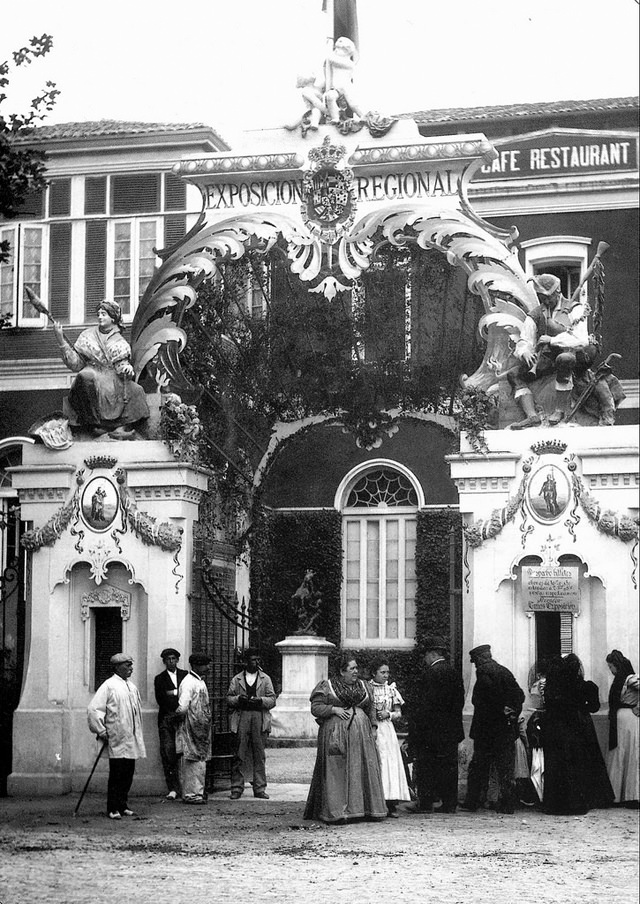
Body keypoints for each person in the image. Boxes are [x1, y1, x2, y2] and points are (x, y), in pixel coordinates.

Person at [508, 273, 610, 428]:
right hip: (548, 359)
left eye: (547, 297)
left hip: (573, 354)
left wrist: (553, 340)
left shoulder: (575, 309)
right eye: (541, 297)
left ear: (557, 292)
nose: (545, 301)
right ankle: (532, 417)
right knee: (514, 374)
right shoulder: (536, 314)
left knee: (564, 359)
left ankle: (559, 410)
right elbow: (524, 339)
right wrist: (525, 351)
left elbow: (581, 339)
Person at [304, 653, 386, 824]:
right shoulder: (327, 686)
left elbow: (371, 707)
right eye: (352, 668)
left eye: (356, 668)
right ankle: (337, 811)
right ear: (342, 671)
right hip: (336, 734)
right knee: (337, 770)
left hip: (362, 735)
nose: (356, 672)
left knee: (361, 768)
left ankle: (364, 809)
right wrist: (333, 709)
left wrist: (373, 726)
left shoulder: (364, 686)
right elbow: (316, 707)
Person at [53, 299, 149, 438]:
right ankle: (94, 424)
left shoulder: (119, 341)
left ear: (113, 317)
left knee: (136, 390)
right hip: (93, 371)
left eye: (104, 314)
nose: (100, 317)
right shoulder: (87, 336)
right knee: (85, 377)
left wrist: (127, 369)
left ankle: (122, 427)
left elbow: (121, 365)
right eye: (99, 314)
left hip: (113, 377)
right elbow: (77, 364)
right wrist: (61, 340)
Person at [542, 653, 615, 815]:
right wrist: (582, 708)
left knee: (560, 765)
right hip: (581, 728)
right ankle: (583, 800)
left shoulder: (554, 687)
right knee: (582, 763)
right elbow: (594, 707)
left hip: (558, 730)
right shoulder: (586, 686)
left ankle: (556, 804)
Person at [461, 644, 525, 814]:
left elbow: (483, 700)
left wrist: (497, 710)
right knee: (505, 769)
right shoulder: (505, 671)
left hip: (487, 730)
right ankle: (507, 803)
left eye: (475, 662)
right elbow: (519, 695)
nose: (475, 665)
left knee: (479, 767)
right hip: (505, 729)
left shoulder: (483, 672)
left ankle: (473, 801)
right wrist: (511, 713)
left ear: (480, 659)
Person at [409, 636, 465, 814]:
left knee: (427, 766)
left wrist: (418, 728)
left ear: (432, 654)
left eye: (425, 655)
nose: (424, 659)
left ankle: (425, 803)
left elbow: (424, 705)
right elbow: (459, 702)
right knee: (449, 767)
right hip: (451, 730)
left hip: (431, 731)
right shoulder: (454, 672)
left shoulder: (429, 674)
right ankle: (450, 803)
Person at [87, 652, 146, 820]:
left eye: (131, 665)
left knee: (128, 773)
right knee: (116, 774)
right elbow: (94, 709)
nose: (131, 668)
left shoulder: (131, 687)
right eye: (127, 665)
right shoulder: (109, 685)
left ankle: (123, 804)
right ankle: (112, 808)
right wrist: (101, 730)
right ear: (117, 667)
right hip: (116, 738)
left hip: (130, 737)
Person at [227, 648, 276, 800]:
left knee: (259, 753)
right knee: (239, 753)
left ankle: (259, 788)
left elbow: (272, 699)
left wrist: (260, 700)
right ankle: (236, 787)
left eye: (258, 660)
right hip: (242, 715)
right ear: (246, 661)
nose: (256, 663)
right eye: (253, 660)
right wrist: (238, 699)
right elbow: (229, 698)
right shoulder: (237, 679)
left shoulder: (265, 679)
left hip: (259, 716)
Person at [368, 657, 412, 817]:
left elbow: (399, 713)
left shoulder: (392, 690)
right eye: (382, 672)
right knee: (376, 762)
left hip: (387, 730)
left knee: (390, 764)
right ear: (374, 673)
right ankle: (375, 804)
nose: (386, 675)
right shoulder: (367, 689)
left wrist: (389, 714)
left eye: (387, 672)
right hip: (372, 729)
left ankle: (391, 804)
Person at [175, 652, 212, 805]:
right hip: (191, 727)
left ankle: (198, 792)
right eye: (205, 664)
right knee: (191, 761)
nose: (208, 667)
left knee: (200, 761)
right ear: (196, 665)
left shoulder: (200, 682)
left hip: (201, 729)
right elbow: (182, 707)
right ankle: (191, 794)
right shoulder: (189, 682)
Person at [605, 650, 639, 807]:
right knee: (621, 754)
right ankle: (620, 794)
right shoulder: (623, 679)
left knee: (628, 754)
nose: (610, 670)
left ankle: (629, 795)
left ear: (615, 665)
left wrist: (638, 707)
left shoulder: (629, 678)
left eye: (610, 666)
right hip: (620, 721)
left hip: (628, 719)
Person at [153, 648, 188, 800]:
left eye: (173, 658)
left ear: (178, 660)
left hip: (183, 718)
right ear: (164, 662)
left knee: (186, 751)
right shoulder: (159, 679)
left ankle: (187, 786)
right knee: (168, 753)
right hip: (167, 719)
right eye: (168, 659)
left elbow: (187, 694)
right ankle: (173, 788)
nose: (171, 661)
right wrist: (176, 696)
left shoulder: (185, 676)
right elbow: (161, 699)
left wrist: (172, 693)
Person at [324, 36, 364, 123]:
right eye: (336, 50)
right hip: (337, 88)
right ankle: (335, 118)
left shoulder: (348, 63)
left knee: (353, 103)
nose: (336, 51)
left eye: (339, 50)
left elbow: (331, 59)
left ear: (347, 51)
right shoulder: (335, 59)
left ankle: (362, 116)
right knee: (330, 96)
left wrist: (328, 45)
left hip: (346, 86)